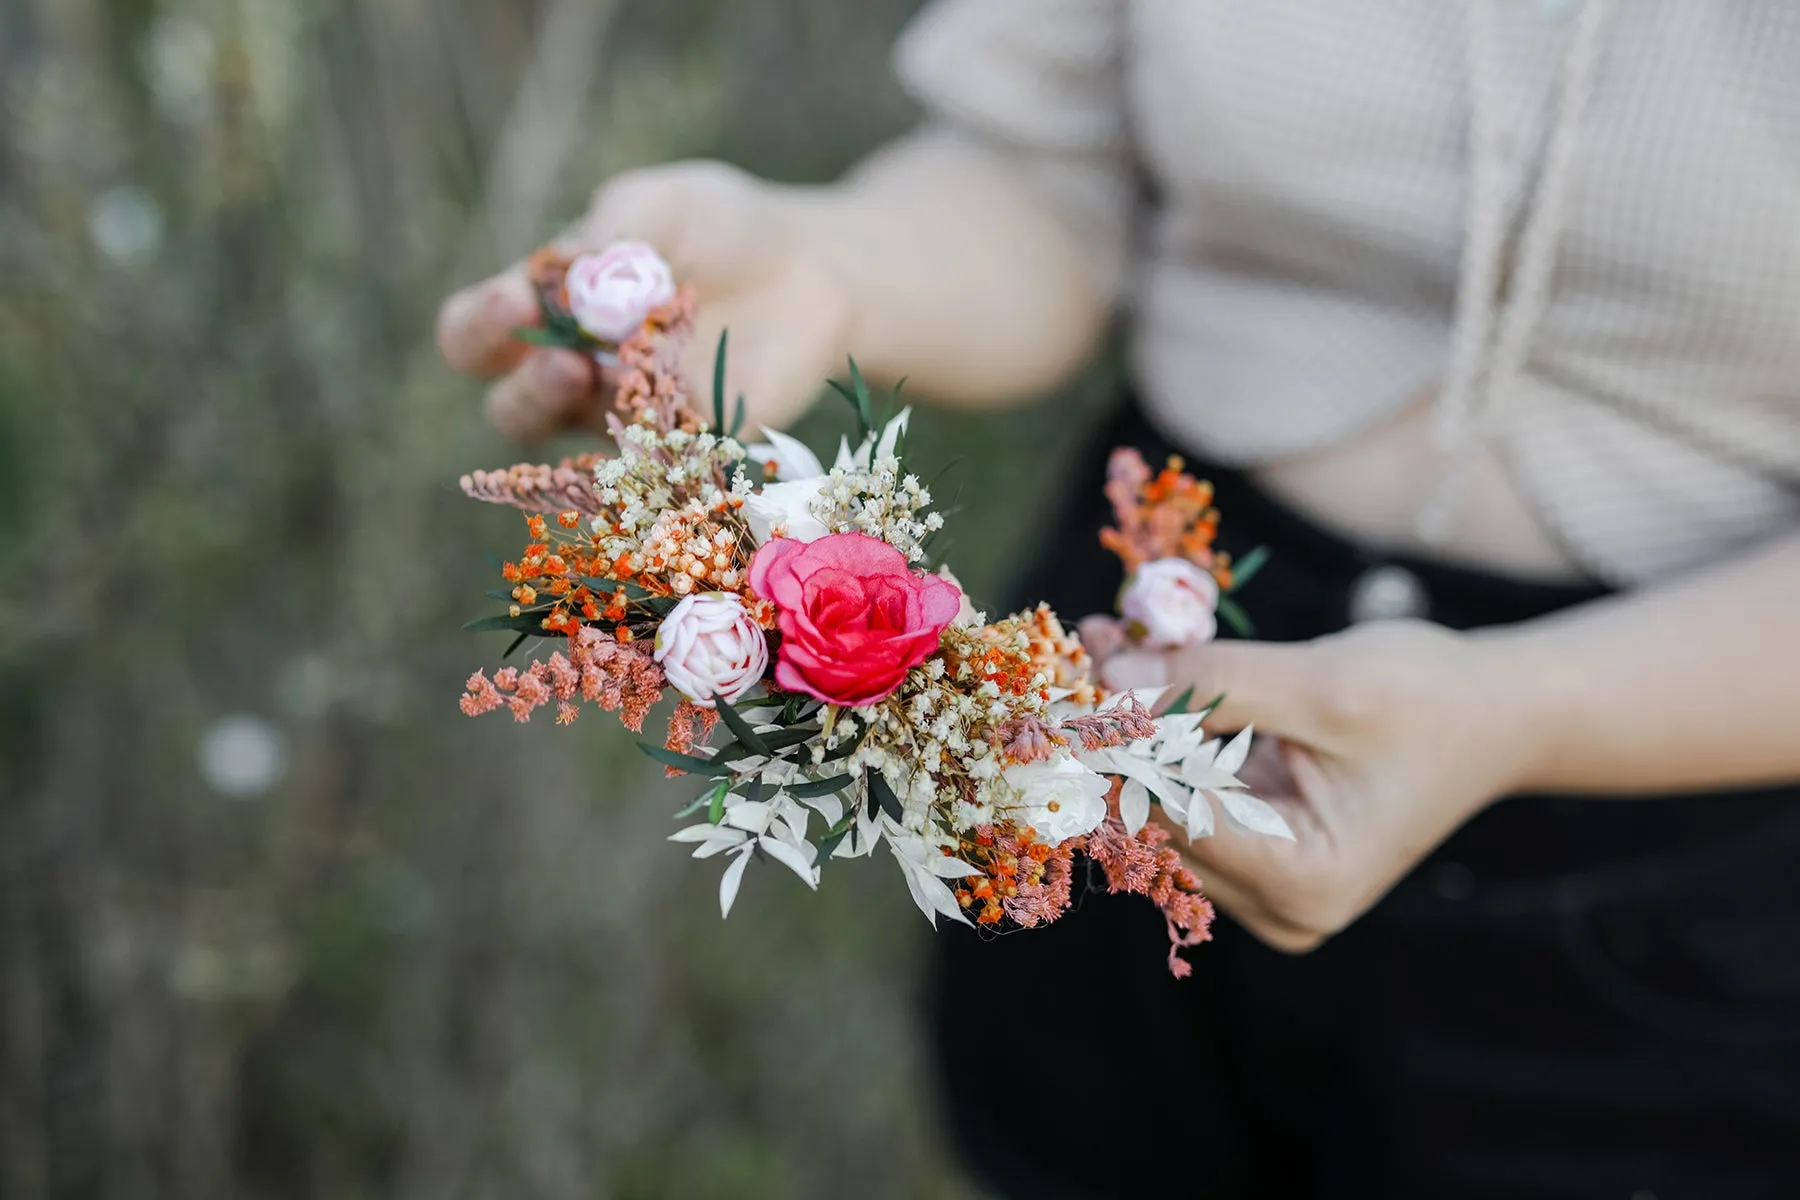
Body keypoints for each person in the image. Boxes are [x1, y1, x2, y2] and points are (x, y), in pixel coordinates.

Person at [436, 3, 1800, 1195]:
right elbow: (1054, 178)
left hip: (1695, 787)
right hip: (1109, 699)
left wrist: (1522, 711)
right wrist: (828, 261)